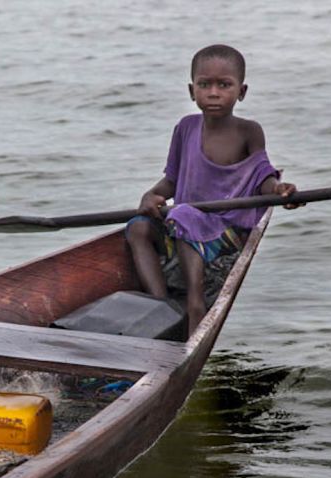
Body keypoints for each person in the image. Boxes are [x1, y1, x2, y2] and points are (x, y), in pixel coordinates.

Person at [124, 44, 298, 333]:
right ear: (192, 91)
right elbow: (172, 181)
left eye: (224, 85)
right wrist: (151, 195)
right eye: (205, 85)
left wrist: (280, 190)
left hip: (225, 228)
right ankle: (161, 304)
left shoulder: (249, 131)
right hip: (184, 222)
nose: (214, 92)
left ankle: (194, 305)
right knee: (138, 228)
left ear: (241, 92)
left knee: (183, 215)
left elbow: (262, 177)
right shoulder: (185, 128)